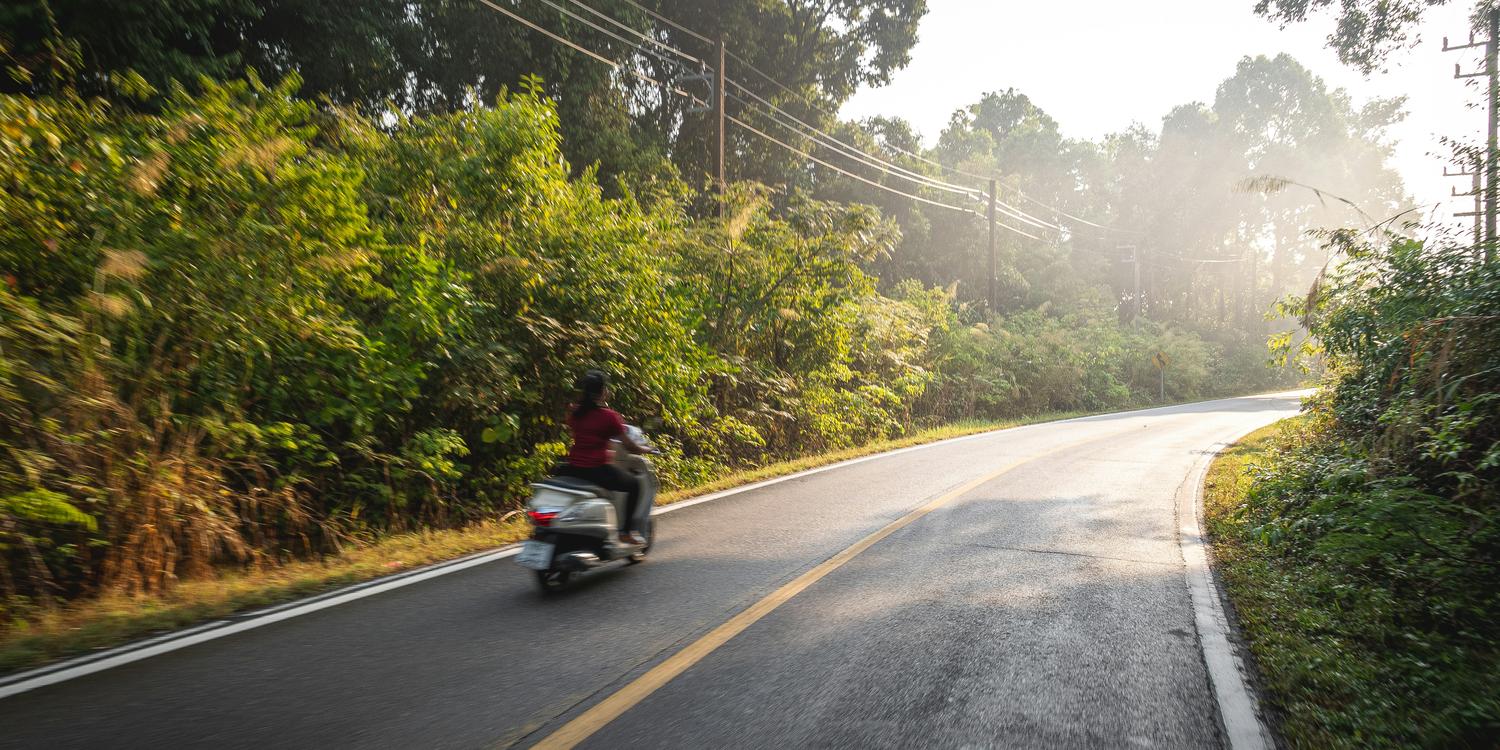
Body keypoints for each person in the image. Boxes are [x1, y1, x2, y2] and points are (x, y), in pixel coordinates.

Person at [558, 370, 649, 545]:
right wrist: (644, 449)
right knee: (634, 484)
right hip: (596, 470)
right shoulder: (609, 417)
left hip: (573, 468)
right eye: (605, 388)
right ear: (603, 392)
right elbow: (629, 445)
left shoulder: (574, 412)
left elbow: (575, 428)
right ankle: (626, 532)